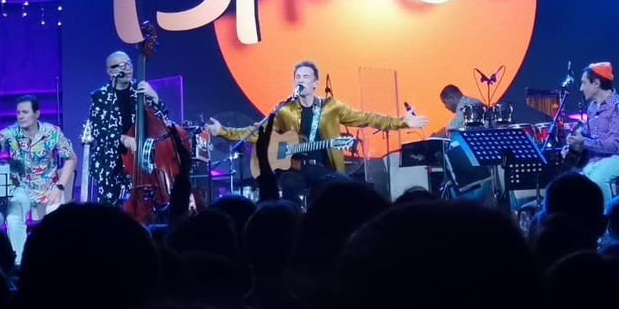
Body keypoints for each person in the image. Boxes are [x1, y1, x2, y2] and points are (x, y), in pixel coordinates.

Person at [205, 60, 428, 205]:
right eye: (297, 77)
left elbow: (367, 118)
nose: (301, 80)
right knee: (289, 185)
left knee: (343, 187)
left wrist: (402, 122)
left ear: (315, 83)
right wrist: (223, 130)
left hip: (324, 168)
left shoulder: (331, 107)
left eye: (306, 77)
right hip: (293, 168)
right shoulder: (285, 110)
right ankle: (291, 226)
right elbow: (257, 132)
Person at [0, 95, 76, 265]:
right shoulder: (12, 132)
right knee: (13, 218)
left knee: (56, 220)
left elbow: (71, 158)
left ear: (37, 114)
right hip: (22, 187)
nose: (20, 116)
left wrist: (60, 186)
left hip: (49, 187)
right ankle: (20, 263)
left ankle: (55, 262)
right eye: (18, 112)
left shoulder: (53, 132)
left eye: (25, 112)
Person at [87, 50, 162, 205]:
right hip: (109, 164)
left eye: (129, 64)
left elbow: (162, 120)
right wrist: (122, 138)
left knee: (139, 206)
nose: (128, 68)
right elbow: (97, 130)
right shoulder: (100, 96)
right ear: (110, 71)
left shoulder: (140, 90)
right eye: (122, 65)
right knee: (108, 212)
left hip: (137, 161)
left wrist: (155, 97)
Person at [565, 62, 619, 208]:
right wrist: (574, 141)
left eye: (584, 83)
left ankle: (606, 217)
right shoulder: (592, 107)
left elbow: (612, 146)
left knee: (598, 179)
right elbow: (588, 131)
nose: (581, 88)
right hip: (597, 160)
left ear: (596, 83)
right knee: (577, 183)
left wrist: (583, 142)